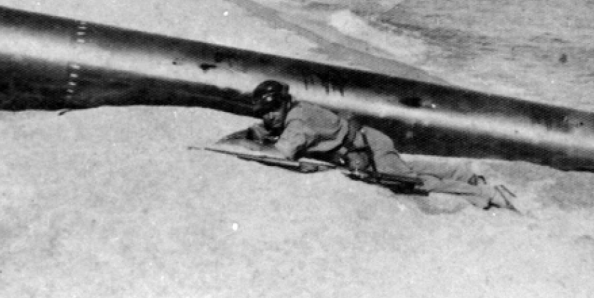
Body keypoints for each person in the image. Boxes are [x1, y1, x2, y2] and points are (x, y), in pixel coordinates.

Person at [219, 80, 517, 211]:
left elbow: (282, 152)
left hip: (367, 147)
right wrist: (251, 132)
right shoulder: (294, 112)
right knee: (406, 168)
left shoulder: (298, 122)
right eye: (263, 112)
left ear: (284, 104)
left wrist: (249, 148)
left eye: (272, 109)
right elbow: (269, 131)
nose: (267, 116)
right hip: (370, 142)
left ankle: (485, 193)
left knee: (411, 182)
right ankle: (462, 172)